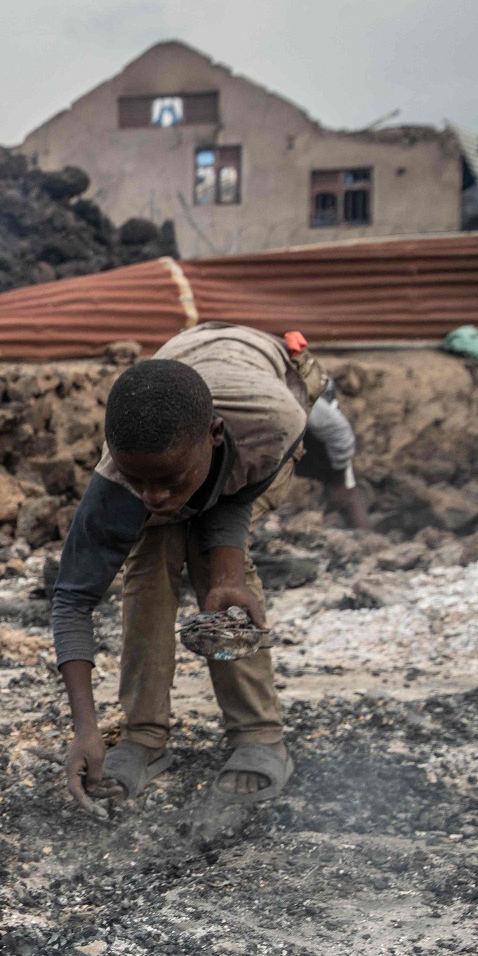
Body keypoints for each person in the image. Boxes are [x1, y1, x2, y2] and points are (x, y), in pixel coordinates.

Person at [53, 323, 324, 810]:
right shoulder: (120, 476)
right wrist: (86, 731)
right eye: (138, 480)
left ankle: (259, 734)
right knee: (150, 556)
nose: (153, 496)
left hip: (265, 381)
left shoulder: (274, 423)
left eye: (166, 479)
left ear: (214, 436)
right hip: (187, 367)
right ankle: (143, 736)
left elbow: (239, 494)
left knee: (212, 560)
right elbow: (73, 600)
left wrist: (227, 577)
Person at [300, 381, 370, 531]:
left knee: (343, 491)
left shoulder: (300, 397)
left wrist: (339, 477)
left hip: (319, 423)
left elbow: (340, 432)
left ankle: (364, 541)